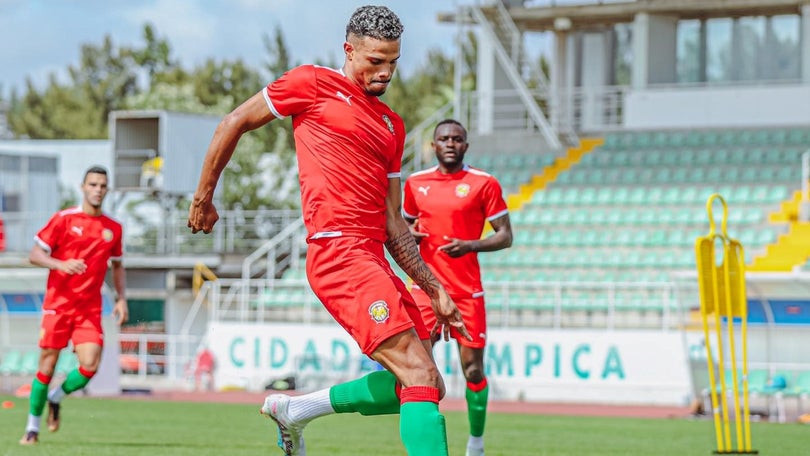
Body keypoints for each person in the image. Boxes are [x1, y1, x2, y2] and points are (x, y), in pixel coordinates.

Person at [187, 6, 469, 456]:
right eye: (375, 60)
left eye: (393, 61)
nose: (385, 72)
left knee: (426, 384)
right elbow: (234, 122)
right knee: (417, 374)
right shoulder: (312, 83)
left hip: (373, 254)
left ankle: (295, 411)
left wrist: (432, 286)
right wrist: (204, 197)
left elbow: (393, 221)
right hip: (338, 253)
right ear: (349, 50)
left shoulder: (391, 125)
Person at [402, 119, 513, 456]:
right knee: (419, 371)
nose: (450, 143)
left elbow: (506, 235)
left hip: (466, 292)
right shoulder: (415, 183)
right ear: (433, 145)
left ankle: (476, 443)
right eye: (443, 139)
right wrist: (411, 236)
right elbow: (400, 227)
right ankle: (428, 444)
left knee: (474, 370)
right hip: (424, 290)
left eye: (457, 139)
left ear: (466, 145)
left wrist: (470, 245)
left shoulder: (483, 183)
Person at [19, 165, 128, 445]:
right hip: (58, 305)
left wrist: (121, 298)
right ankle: (32, 428)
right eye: (93, 184)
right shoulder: (64, 219)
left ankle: (56, 398)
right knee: (47, 365)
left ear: (107, 190)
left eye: (102, 185)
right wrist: (60, 264)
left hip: (89, 308)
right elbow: (34, 254)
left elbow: (117, 266)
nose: (98, 190)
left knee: (90, 365)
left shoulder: (113, 228)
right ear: (83, 187)